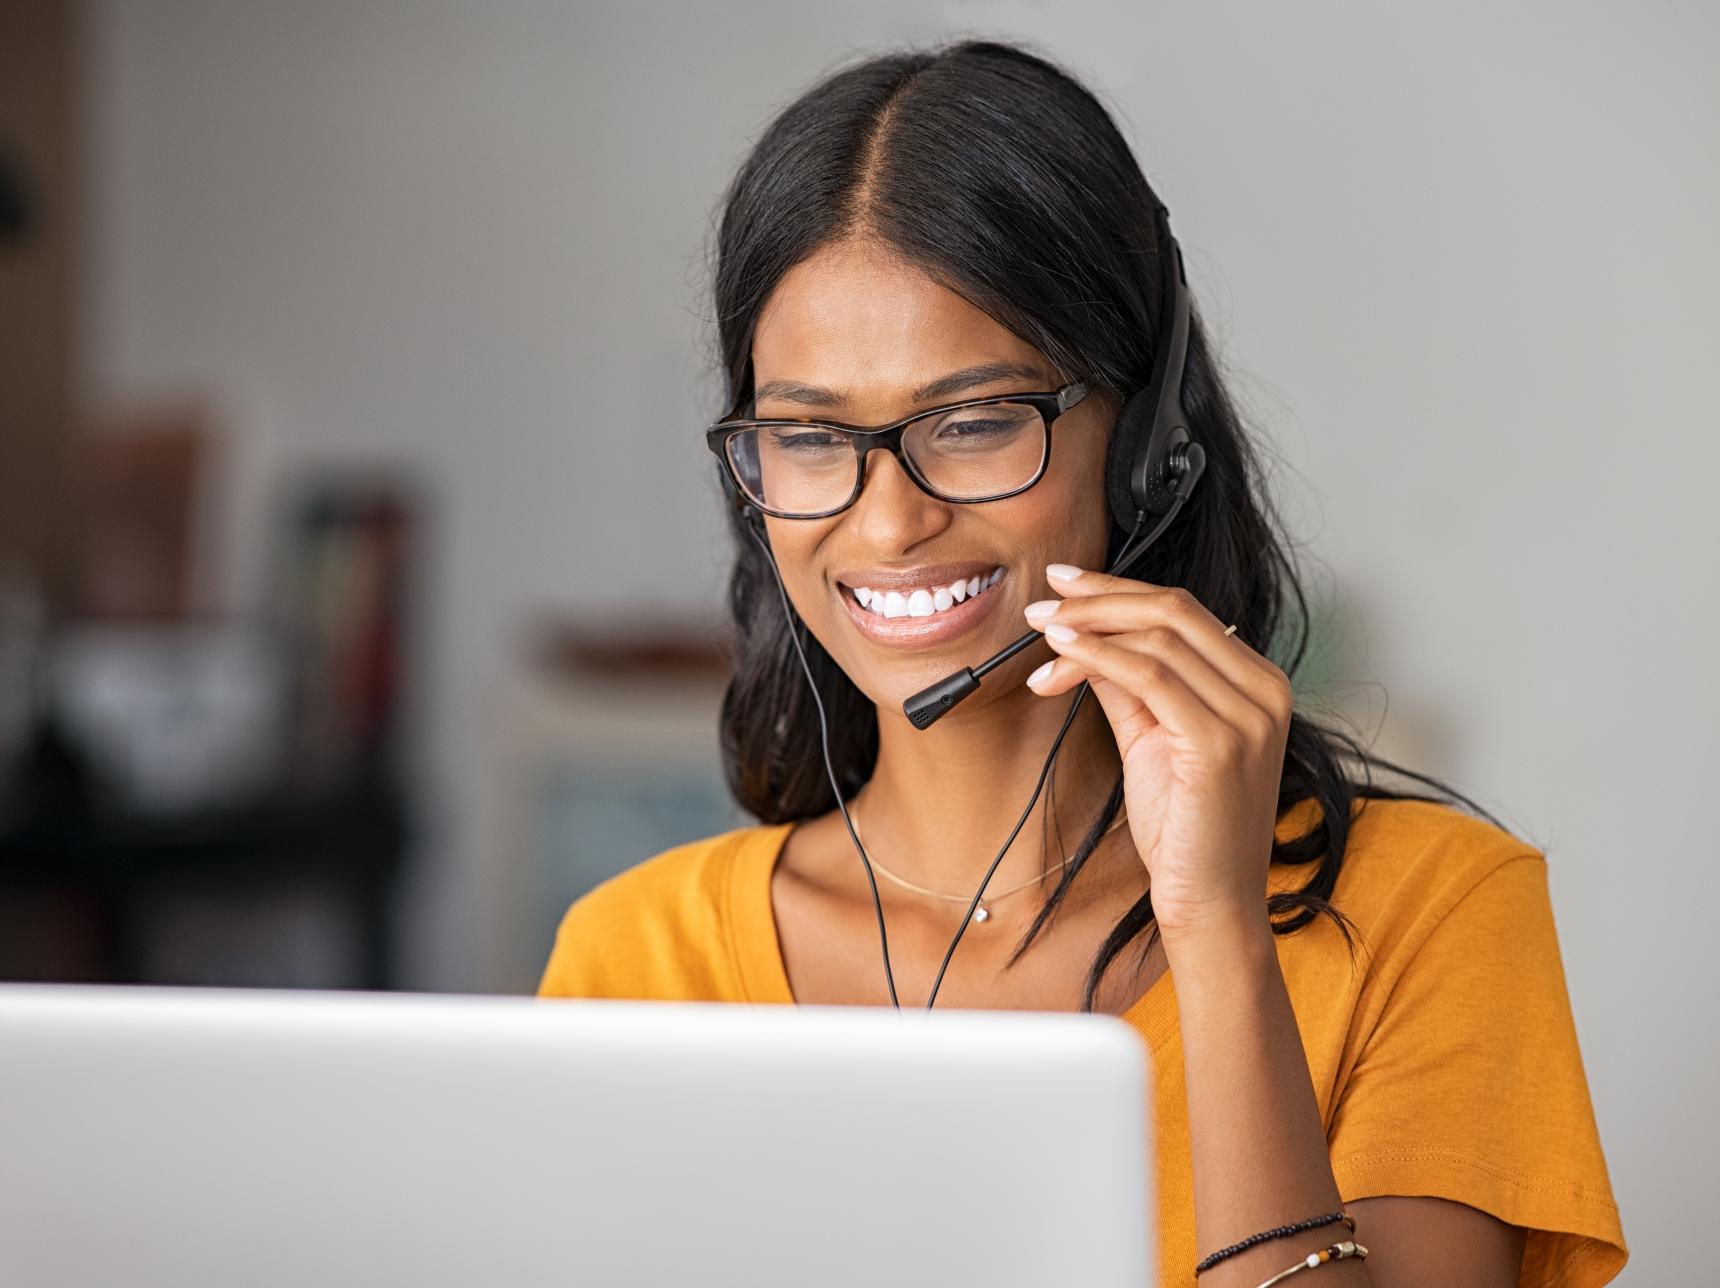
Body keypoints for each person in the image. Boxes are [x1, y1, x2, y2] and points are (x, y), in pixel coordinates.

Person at [538, 38, 1628, 1288]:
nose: (888, 524)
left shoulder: (1433, 913)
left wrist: (1218, 935)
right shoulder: (630, 960)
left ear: (1148, 442)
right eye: (809, 435)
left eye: (977, 420)